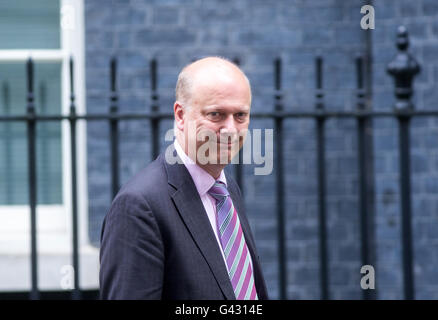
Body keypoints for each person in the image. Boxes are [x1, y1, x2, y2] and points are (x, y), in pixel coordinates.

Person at [99, 56, 268, 300]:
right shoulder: (138, 206)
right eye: (216, 114)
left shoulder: (225, 189)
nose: (231, 129)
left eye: (240, 115)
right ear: (180, 115)